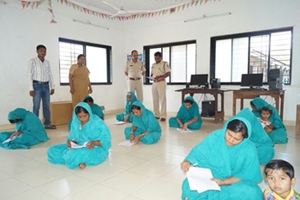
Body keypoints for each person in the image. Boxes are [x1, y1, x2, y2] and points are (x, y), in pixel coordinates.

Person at [181, 117, 263, 200]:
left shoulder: (249, 149)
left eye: (237, 139)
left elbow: (246, 174)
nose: (231, 140)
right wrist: (187, 161)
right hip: (209, 177)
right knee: (190, 186)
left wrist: (223, 182)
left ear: (245, 139)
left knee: (253, 192)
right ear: (226, 128)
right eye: (229, 134)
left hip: (231, 182)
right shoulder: (216, 136)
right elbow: (198, 152)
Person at [47, 102, 111, 169]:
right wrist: (71, 142)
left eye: (85, 116)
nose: (82, 119)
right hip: (77, 147)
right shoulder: (75, 123)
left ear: (89, 113)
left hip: (94, 148)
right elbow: (72, 137)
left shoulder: (98, 123)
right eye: (79, 117)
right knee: (52, 150)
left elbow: (106, 140)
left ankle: (75, 159)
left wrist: (94, 142)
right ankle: (78, 160)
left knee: (81, 153)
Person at [28, 44, 56, 129]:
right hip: (36, 86)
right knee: (36, 106)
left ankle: (47, 124)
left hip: (46, 86)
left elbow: (50, 74)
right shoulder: (32, 61)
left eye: (44, 51)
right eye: (41, 51)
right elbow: (29, 75)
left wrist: (52, 86)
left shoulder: (47, 62)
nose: (43, 53)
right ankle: (35, 125)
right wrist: (31, 88)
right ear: (37, 51)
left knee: (46, 106)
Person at [150, 51, 170, 121]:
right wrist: (151, 77)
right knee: (155, 99)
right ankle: (156, 115)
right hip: (154, 83)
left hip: (161, 82)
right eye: (155, 58)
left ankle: (163, 115)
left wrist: (160, 76)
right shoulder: (153, 65)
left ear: (161, 57)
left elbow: (168, 73)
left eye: (158, 58)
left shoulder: (165, 63)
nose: (156, 60)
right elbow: (152, 74)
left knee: (162, 99)